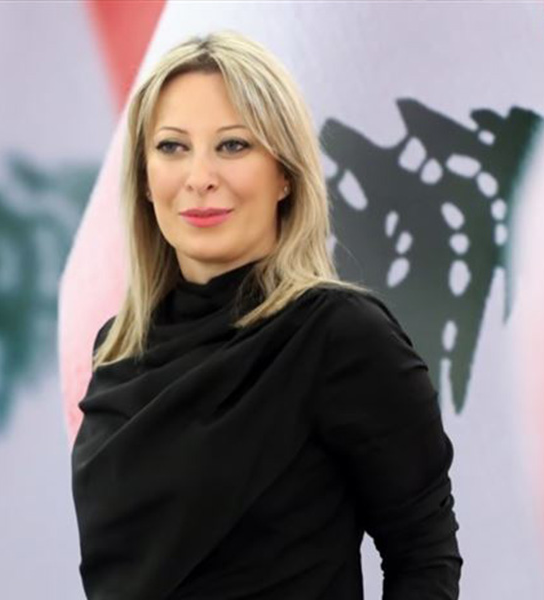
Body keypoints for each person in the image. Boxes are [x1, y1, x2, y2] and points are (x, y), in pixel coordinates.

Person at [71, 30, 462, 599]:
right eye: (172, 147)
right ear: (145, 180)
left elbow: (425, 554)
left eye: (233, 145)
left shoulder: (340, 335)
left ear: (285, 174)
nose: (200, 177)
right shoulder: (117, 348)